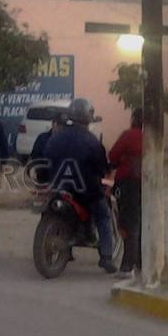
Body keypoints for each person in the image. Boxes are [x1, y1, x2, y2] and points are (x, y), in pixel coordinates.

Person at [43, 97, 116, 274]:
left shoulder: (56, 137)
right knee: (104, 215)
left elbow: (45, 159)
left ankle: (66, 248)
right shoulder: (92, 141)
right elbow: (101, 167)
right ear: (87, 116)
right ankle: (106, 257)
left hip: (58, 186)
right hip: (85, 191)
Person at [109, 108, 143, 277]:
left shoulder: (129, 135)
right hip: (145, 185)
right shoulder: (151, 137)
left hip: (128, 184)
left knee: (128, 224)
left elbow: (113, 155)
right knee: (140, 222)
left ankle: (127, 266)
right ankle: (140, 263)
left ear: (134, 119)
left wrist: (121, 160)